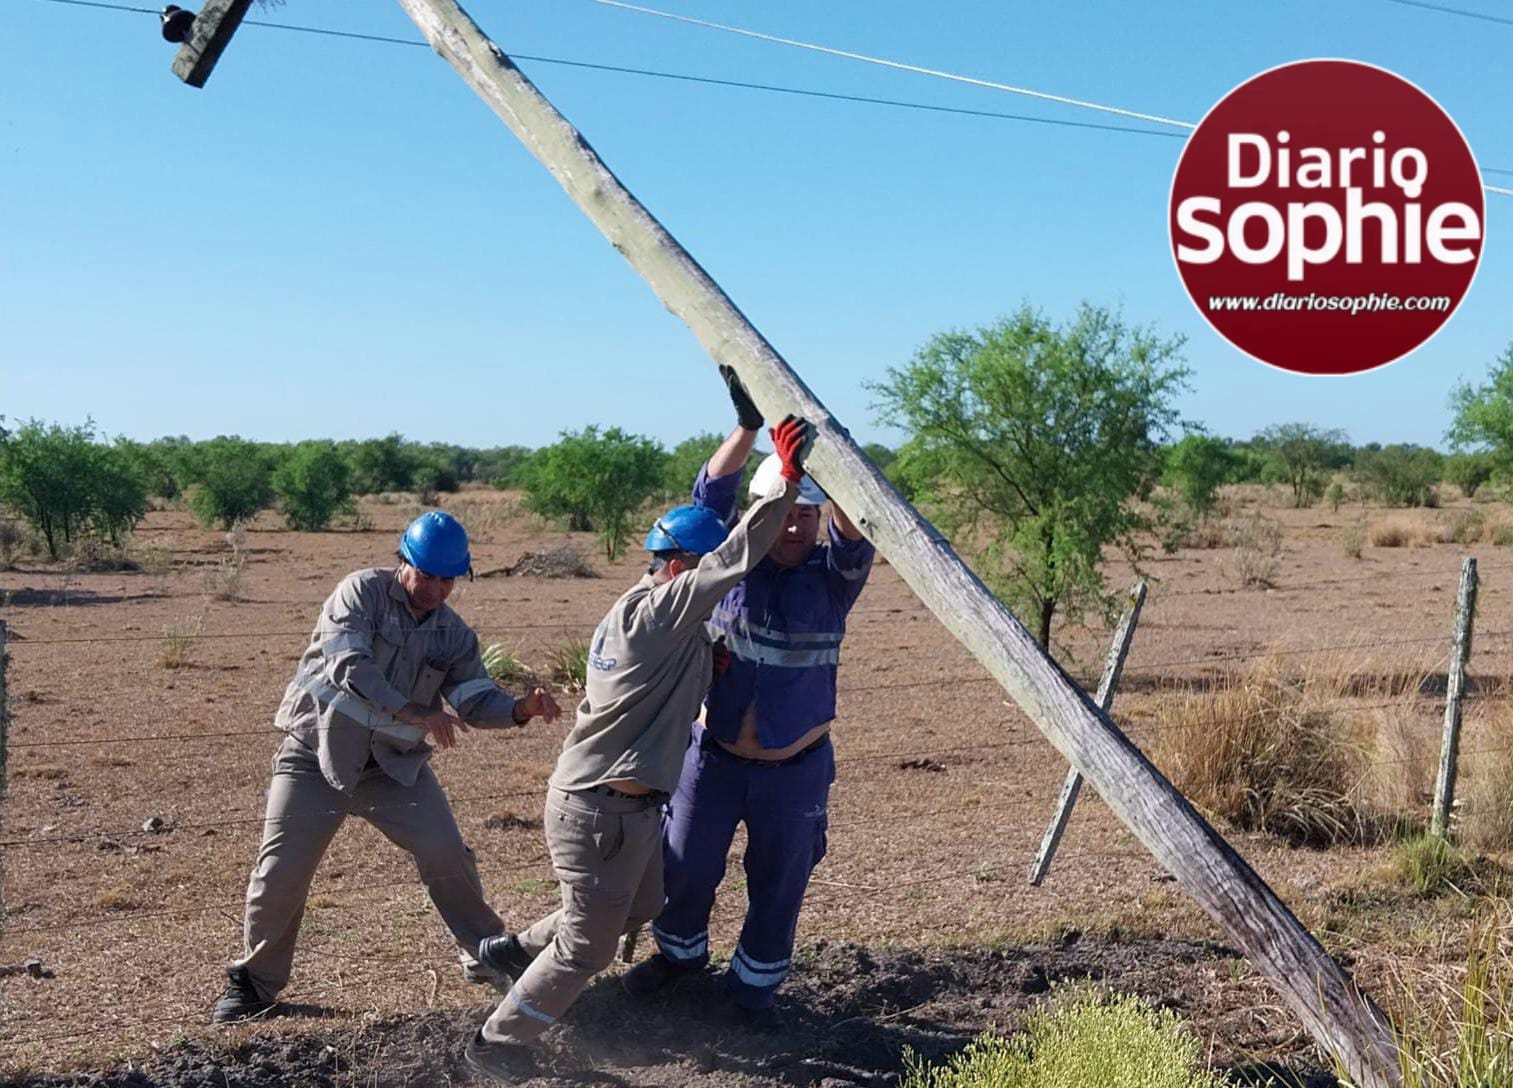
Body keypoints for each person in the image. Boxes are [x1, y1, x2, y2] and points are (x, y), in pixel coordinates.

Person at [462, 413, 815, 1083]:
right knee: (586, 947)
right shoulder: (661, 610)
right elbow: (735, 557)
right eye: (703, 568)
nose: (720, 581)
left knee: (644, 904)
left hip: (625, 812)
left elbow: (685, 647)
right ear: (679, 566)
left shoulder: (651, 616)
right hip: (601, 812)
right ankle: (497, 1045)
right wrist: (785, 484)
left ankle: (508, 951)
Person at [211, 511, 561, 1023]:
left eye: (449, 579)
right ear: (404, 562)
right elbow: (349, 665)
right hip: (316, 754)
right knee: (282, 869)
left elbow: (472, 697)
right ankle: (256, 985)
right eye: (429, 575)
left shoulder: (453, 635)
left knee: (446, 851)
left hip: (393, 767)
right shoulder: (360, 594)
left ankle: (488, 957)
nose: (438, 589)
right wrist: (416, 712)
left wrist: (517, 709)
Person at [622, 367, 874, 1019]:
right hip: (712, 758)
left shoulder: (835, 579)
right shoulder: (728, 566)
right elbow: (706, 500)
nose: (794, 526)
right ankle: (678, 958)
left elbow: (858, 530)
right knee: (683, 867)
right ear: (762, 515)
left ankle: (752, 990)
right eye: (784, 513)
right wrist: (746, 428)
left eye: (807, 515)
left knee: (779, 884)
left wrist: (832, 463)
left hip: (796, 769)